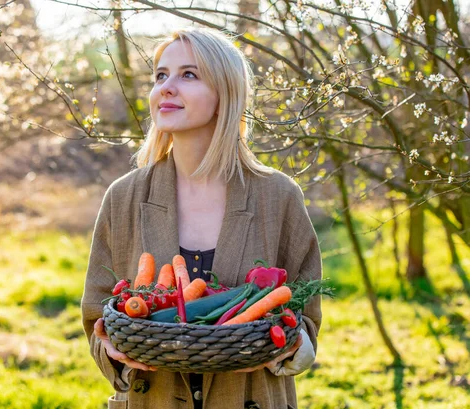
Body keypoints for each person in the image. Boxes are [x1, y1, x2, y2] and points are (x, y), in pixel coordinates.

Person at [81, 28, 322, 409]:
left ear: (225, 93)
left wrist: (279, 347)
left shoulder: (278, 197)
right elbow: (97, 316)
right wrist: (114, 351)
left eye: (188, 75)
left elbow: (305, 320)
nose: (167, 87)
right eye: (161, 76)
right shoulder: (124, 197)